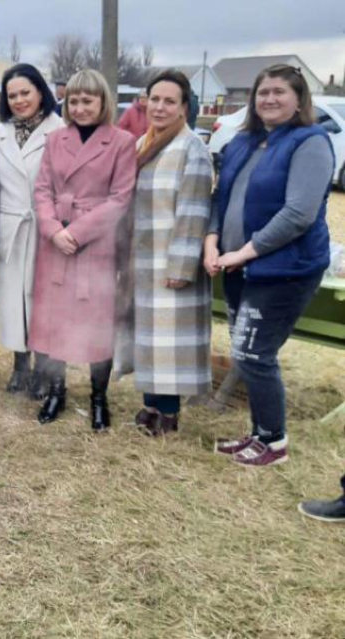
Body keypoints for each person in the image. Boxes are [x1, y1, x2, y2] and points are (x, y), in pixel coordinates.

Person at [205, 64, 334, 466]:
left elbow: (299, 213)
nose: (270, 99)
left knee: (255, 353)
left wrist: (243, 251)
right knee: (246, 351)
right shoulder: (244, 142)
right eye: (263, 92)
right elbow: (219, 199)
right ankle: (258, 434)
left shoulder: (310, 142)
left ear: (299, 100)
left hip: (284, 270)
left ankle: (273, 442)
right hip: (238, 267)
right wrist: (212, 242)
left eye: (280, 92)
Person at [28, 69, 137, 428]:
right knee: (54, 319)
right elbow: (43, 189)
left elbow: (121, 198)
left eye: (87, 100)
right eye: (73, 100)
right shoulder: (56, 139)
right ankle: (57, 390)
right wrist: (52, 228)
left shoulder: (121, 141)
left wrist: (77, 232)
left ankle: (98, 398)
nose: (80, 107)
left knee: (96, 322)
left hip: (95, 244)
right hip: (55, 241)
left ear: (103, 101)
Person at [128, 70, 213, 436]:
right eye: (155, 99)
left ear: (183, 107)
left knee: (169, 341)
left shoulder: (191, 148)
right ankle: (149, 403)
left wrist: (181, 266)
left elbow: (194, 211)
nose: (160, 107)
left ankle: (169, 412)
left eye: (169, 101)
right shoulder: (143, 142)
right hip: (142, 258)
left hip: (171, 258)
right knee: (148, 337)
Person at [0, 63, 63, 399]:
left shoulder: (59, 131)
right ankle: (20, 365)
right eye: (12, 95)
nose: (19, 100)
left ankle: (43, 370)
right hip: (11, 228)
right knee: (12, 301)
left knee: (42, 300)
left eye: (25, 92)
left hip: (45, 225)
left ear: (40, 92)